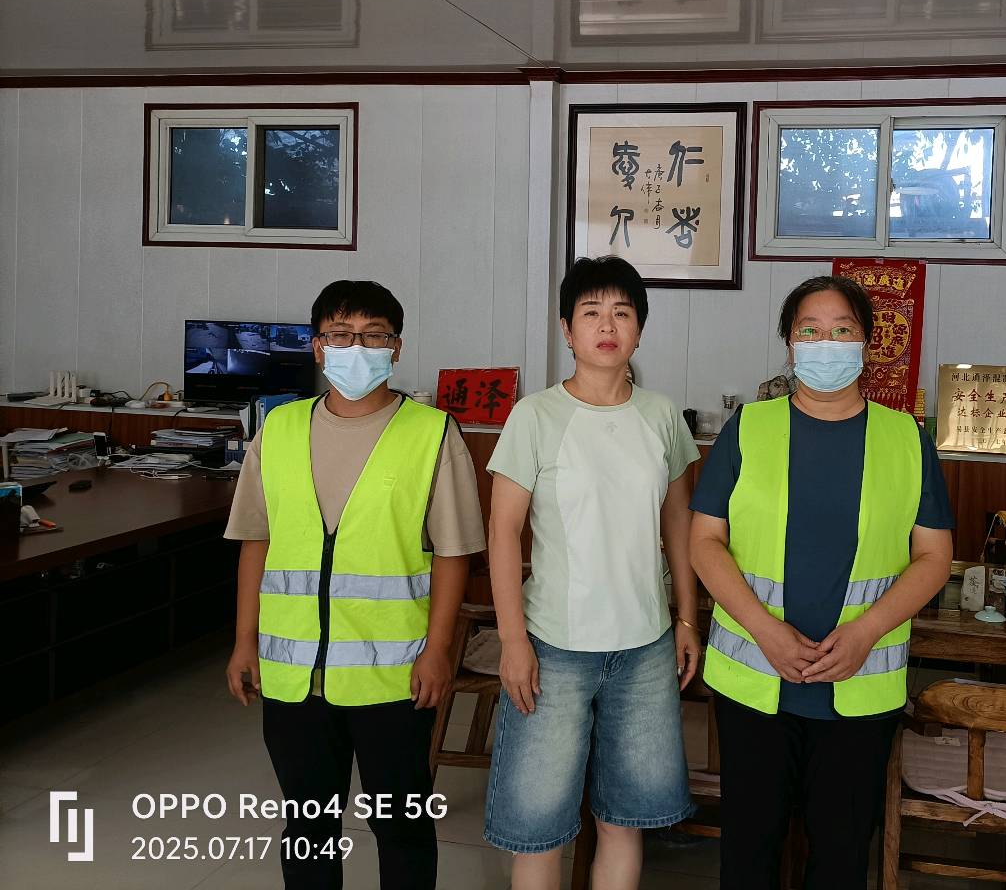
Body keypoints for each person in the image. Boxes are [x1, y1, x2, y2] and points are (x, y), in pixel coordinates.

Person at [689, 274, 955, 890]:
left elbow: (934, 557)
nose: (825, 344)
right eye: (809, 331)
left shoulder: (907, 439)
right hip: (754, 681)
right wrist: (765, 631)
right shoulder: (748, 428)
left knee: (840, 856)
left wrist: (865, 633)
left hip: (860, 685)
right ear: (789, 343)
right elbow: (704, 543)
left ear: (866, 343)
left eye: (841, 331)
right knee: (749, 852)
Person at [223, 279, 486, 890]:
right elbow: (256, 541)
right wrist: (244, 642)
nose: (356, 349)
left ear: (396, 348)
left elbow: (452, 554)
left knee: (402, 827)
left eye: (373, 336)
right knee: (308, 827)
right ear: (318, 346)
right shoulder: (279, 429)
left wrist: (439, 651)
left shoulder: (431, 433)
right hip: (293, 674)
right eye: (340, 335)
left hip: (393, 676)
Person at [484, 255, 701, 890]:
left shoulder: (661, 415)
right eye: (591, 312)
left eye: (622, 313)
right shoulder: (534, 416)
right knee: (539, 826)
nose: (607, 325)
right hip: (553, 647)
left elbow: (678, 524)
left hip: (645, 647)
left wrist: (686, 619)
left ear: (640, 329)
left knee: (623, 819)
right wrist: (513, 640)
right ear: (567, 329)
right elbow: (502, 531)